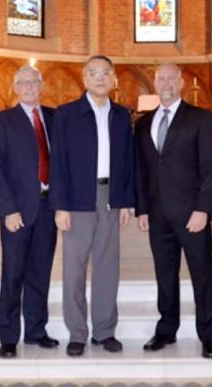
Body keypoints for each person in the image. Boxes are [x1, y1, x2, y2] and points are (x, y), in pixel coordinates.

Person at [135, 63, 212, 359]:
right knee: (164, 274)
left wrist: (203, 210)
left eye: (173, 77)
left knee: (202, 273)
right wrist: (142, 209)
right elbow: (141, 170)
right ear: (155, 84)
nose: (167, 82)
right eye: (162, 78)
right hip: (157, 215)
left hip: (191, 214)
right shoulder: (143, 123)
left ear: (182, 82)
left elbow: (211, 169)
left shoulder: (201, 119)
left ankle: (209, 335)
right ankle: (166, 329)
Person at [49, 55, 135, 357]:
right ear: (84, 78)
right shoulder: (67, 114)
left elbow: (127, 161)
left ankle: (104, 331)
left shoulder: (122, 115)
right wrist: (59, 205)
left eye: (105, 73)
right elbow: (57, 162)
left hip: (110, 196)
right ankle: (77, 332)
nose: (100, 78)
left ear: (113, 79)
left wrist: (125, 200)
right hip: (77, 199)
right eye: (93, 73)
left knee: (107, 266)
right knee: (74, 268)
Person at [0, 65, 59, 359]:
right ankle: (8, 336)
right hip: (17, 210)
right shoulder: (3, 120)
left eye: (34, 81)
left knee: (40, 272)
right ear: (15, 87)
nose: (29, 86)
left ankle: (36, 330)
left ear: (42, 85)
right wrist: (8, 209)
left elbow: (64, 163)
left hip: (48, 207)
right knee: (13, 273)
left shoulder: (55, 118)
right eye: (23, 82)